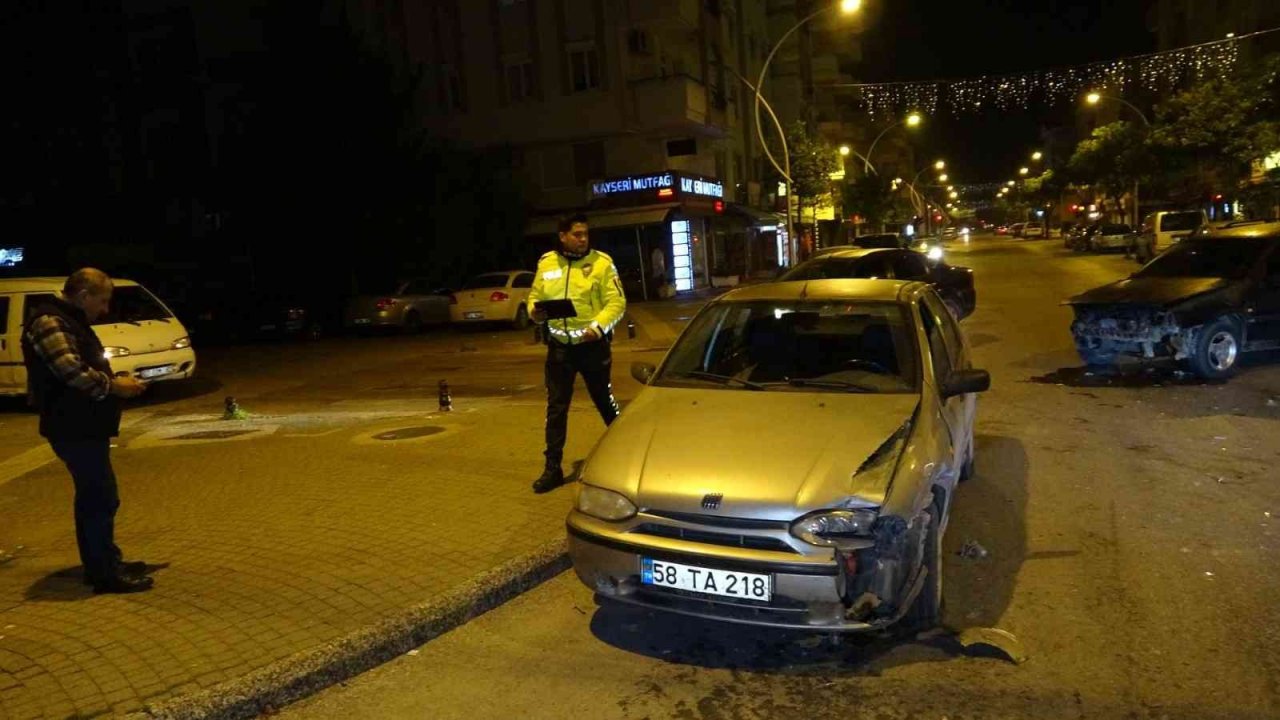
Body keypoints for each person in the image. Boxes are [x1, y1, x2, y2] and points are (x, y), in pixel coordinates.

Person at [22, 268, 153, 594]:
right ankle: (103, 573)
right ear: (83, 295)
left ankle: (106, 560)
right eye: (102, 300)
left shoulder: (66, 319)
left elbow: (81, 365)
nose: (105, 309)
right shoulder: (51, 321)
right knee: (99, 497)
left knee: (99, 496)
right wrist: (114, 386)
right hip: (72, 427)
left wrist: (112, 380)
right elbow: (70, 370)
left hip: (81, 426)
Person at [528, 214, 627, 493]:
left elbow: (617, 302)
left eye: (585, 234)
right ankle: (552, 469)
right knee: (556, 408)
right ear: (562, 236)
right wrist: (534, 311)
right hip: (559, 348)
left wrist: (598, 327)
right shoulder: (547, 262)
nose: (583, 239)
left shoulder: (602, 263)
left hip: (593, 347)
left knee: (605, 402)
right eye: (577, 234)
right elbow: (535, 296)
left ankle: (627, 453)